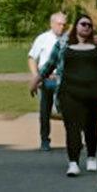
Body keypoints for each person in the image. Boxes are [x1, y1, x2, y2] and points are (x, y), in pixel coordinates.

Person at [31, 13, 97, 177]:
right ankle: (73, 163)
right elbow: (50, 64)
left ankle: (91, 157)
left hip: (93, 94)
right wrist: (36, 79)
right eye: (83, 24)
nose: (86, 27)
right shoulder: (63, 44)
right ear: (76, 26)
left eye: (89, 25)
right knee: (72, 128)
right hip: (69, 93)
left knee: (90, 127)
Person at [28, 11, 67, 151]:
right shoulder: (43, 38)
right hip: (46, 79)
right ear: (52, 24)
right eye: (59, 24)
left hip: (63, 79)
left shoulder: (68, 39)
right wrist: (35, 76)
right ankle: (45, 140)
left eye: (64, 24)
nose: (62, 27)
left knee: (67, 111)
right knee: (45, 111)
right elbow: (32, 58)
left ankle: (72, 139)